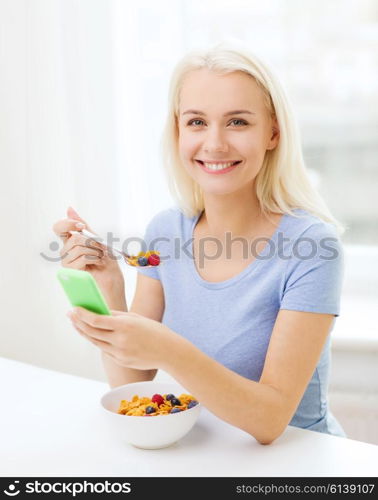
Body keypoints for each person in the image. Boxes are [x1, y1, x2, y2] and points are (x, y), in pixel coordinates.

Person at [53, 42, 346, 445]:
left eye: (238, 122)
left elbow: (270, 420)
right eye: (196, 122)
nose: (215, 143)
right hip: (207, 451)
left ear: (273, 132)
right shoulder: (165, 232)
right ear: (177, 131)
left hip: (298, 461)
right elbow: (132, 384)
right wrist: (109, 288)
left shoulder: (313, 247)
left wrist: (170, 351)